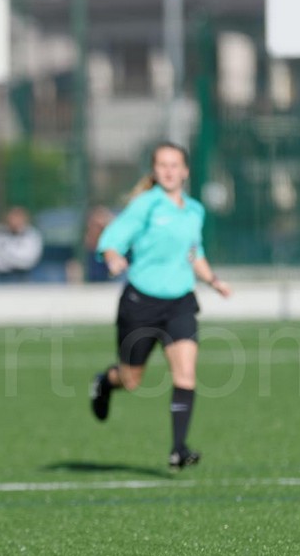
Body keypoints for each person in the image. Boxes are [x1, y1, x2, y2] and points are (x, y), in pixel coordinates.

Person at [88, 142, 233, 470]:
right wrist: (112, 257)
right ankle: (104, 383)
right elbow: (113, 237)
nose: (169, 171)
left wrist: (213, 280)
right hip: (141, 303)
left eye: (174, 165)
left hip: (180, 302)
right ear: (154, 171)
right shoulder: (146, 205)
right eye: (162, 165)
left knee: (186, 373)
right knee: (131, 380)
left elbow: (194, 253)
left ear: (185, 171)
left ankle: (178, 449)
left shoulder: (194, 210)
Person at [0, 206, 43, 282]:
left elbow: (28, 259)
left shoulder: (32, 235)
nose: (14, 221)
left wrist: (7, 255)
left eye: (18, 217)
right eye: (12, 217)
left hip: (23, 276)